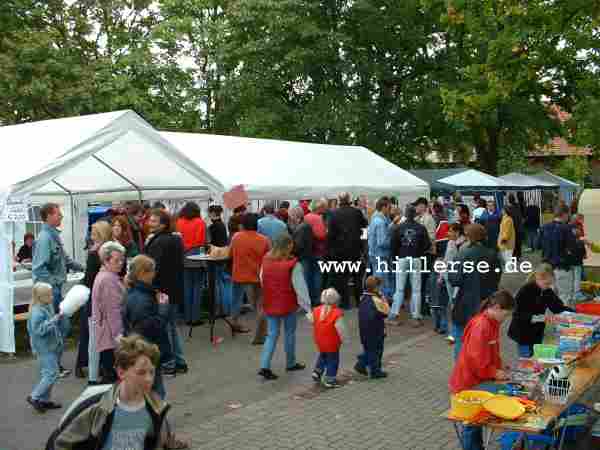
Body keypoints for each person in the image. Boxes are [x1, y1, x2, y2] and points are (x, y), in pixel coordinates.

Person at [45, 335, 187, 450]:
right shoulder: (96, 408)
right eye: (141, 372)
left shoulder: (157, 409)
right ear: (121, 372)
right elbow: (59, 443)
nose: (149, 379)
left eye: (152, 372)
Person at [449, 290, 515, 450]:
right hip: (468, 382)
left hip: (476, 379)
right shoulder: (482, 325)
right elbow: (477, 361)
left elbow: (491, 351)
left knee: (475, 422)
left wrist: (500, 366)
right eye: (506, 315)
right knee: (472, 422)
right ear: (497, 308)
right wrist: (495, 373)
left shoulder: (491, 323)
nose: (506, 319)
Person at [32, 202, 84, 377]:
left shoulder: (54, 236)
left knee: (61, 326)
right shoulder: (45, 238)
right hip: (50, 291)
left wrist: (85, 268)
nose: (61, 216)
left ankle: (53, 366)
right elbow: (39, 268)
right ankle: (52, 367)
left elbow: (66, 261)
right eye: (58, 214)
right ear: (48, 217)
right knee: (58, 327)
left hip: (55, 290)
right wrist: (53, 284)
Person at [258, 233, 312, 380]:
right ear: (288, 246)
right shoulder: (293, 265)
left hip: (270, 302)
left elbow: (262, 279)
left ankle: (264, 365)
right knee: (289, 333)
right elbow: (300, 288)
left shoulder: (266, 260)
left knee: (271, 335)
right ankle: (290, 362)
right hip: (288, 303)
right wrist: (308, 308)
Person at [449, 224, 501, 360]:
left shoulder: (462, 254)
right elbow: (496, 279)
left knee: (460, 339)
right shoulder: (492, 255)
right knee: (485, 340)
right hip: (487, 303)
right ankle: (480, 369)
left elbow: (454, 279)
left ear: (468, 237)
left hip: (465, 303)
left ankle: (461, 372)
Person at [145, 209, 188, 375]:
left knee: (164, 329)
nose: (150, 223)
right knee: (171, 326)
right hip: (173, 289)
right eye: (151, 220)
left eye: (154, 221)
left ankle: (170, 363)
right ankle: (179, 361)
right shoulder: (175, 239)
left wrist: (152, 289)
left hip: (162, 291)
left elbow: (153, 269)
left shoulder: (159, 242)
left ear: (163, 224)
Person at [122, 255, 171, 399]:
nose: (154, 274)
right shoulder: (141, 299)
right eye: (152, 271)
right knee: (155, 389)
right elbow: (152, 328)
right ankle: (155, 418)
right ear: (143, 273)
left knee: (152, 387)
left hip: (144, 349)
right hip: (146, 350)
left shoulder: (137, 293)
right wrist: (163, 308)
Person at [508, 264, 573, 358]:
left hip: (537, 332)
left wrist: (575, 313)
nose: (548, 286)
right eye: (546, 284)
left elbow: (558, 307)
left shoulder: (547, 291)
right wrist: (541, 318)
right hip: (522, 333)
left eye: (550, 284)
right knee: (526, 359)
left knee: (536, 357)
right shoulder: (525, 291)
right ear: (538, 279)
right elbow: (517, 314)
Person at [76, 221, 112, 383]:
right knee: (97, 334)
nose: (91, 235)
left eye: (93, 232)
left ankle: (91, 371)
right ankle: (98, 369)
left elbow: (89, 279)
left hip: (96, 297)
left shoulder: (96, 252)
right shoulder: (109, 250)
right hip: (103, 297)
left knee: (91, 335)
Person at [27, 282, 69, 413]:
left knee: (50, 373)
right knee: (51, 373)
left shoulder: (46, 305)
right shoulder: (37, 312)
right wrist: (54, 320)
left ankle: (44, 400)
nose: (52, 297)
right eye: (49, 295)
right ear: (41, 297)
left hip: (51, 346)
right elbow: (39, 330)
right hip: (44, 349)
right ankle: (35, 396)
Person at [229, 213, 270, 342]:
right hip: (256, 276)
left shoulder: (236, 237)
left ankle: (234, 324)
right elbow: (269, 258)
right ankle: (260, 335)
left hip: (238, 274)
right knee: (259, 306)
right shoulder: (264, 240)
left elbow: (230, 254)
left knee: (236, 301)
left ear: (243, 224)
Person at [388, 205, 431, 327]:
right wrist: (419, 252)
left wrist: (397, 256)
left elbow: (393, 245)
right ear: (415, 214)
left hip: (402, 258)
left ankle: (394, 314)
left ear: (406, 215)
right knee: (416, 289)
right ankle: (416, 316)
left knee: (399, 288)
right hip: (416, 258)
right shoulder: (421, 228)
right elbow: (427, 245)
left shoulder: (399, 228)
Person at [326, 192, 368, 309]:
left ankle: (345, 303)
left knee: (342, 279)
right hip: (355, 250)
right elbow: (365, 228)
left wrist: (330, 251)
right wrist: (362, 244)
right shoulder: (357, 212)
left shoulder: (334, 214)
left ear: (339, 200)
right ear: (349, 199)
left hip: (339, 252)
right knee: (357, 278)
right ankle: (359, 302)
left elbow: (330, 235)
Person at [92, 241, 126, 384]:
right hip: (110, 335)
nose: (120, 263)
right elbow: (113, 310)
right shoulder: (108, 279)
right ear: (106, 261)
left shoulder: (106, 275)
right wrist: (119, 335)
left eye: (121, 260)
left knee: (110, 376)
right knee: (111, 379)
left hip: (105, 332)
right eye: (116, 260)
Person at [175, 202, 207, 326]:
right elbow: (203, 241)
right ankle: (195, 317)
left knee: (186, 288)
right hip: (197, 257)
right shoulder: (200, 222)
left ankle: (187, 317)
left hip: (183, 257)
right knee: (197, 288)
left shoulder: (179, 222)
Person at [540, 205, 577, 306]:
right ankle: (562, 320)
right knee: (564, 297)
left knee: (549, 298)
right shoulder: (567, 228)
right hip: (562, 267)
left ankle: (551, 320)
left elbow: (539, 245)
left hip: (547, 268)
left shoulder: (544, 227)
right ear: (565, 214)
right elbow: (573, 248)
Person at [354, 276, 390, 379]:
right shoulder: (376, 300)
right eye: (379, 287)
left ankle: (367, 366)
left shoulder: (363, 298)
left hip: (364, 330)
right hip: (376, 331)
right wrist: (383, 298)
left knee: (369, 350)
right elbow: (386, 311)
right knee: (376, 351)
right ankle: (369, 368)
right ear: (376, 288)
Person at [312, 288, 346, 388]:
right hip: (332, 342)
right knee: (333, 360)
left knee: (323, 355)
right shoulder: (337, 313)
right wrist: (345, 340)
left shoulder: (316, 310)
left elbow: (311, 320)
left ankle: (317, 372)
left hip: (319, 341)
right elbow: (342, 330)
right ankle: (330, 379)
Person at [288, 206, 321, 307]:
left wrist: (291, 251)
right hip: (309, 255)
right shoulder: (305, 226)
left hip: (303, 257)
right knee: (312, 279)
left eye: (291, 216)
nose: (290, 218)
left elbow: (299, 245)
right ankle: (314, 300)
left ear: (295, 216)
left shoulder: (301, 228)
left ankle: (308, 303)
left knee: (305, 281)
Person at [367, 197, 393, 301]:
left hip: (374, 254)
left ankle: (378, 301)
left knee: (376, 279)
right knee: (381, 281)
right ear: (384, 207)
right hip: (381, 255)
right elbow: (382, 242)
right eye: (389, 207)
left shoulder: (374, 219)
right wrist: (392, 242)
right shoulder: (381, 222)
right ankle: (382, 302)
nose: (390, 209)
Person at [443, 223, 465, 343]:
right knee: (452, 303)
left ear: (457, 232)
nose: (448, 233)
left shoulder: (463, 244)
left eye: (451, 231)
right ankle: (454, 332)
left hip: (457, 278)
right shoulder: (450, 243)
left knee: (455, 304)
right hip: (448, 277)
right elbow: (446, 260)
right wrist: (442, 275)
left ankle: (455, 333)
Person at [304, 199, 328, 302]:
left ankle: (308, 298)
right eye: (323, 207)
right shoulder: (317, 218)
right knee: (317, 275)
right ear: (319, 208)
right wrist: (327, 232)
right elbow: (321, 235)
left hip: (307, 251)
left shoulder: (306, 217)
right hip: (318, 251)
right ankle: (316, 299)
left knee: (308, 275)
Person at [498, 205, 516, 271]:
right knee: (507, 256)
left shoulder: (507, 219)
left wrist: (504, 239)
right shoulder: (506, 218)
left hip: (506, 242)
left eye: (502, 210)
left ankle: (509, 268)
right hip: (506, 241)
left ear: (505, 211)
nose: (501, 211)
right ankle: (509, 268)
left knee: (507, 256)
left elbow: (507, 231)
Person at [508, 193, 524, 260]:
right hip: (519, 227)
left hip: (513, 227)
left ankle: (514, 256)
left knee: (514, 242)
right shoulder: (518, 206)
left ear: (509, 200)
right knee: (518, 242)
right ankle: (518, 255)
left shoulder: (508, 208)